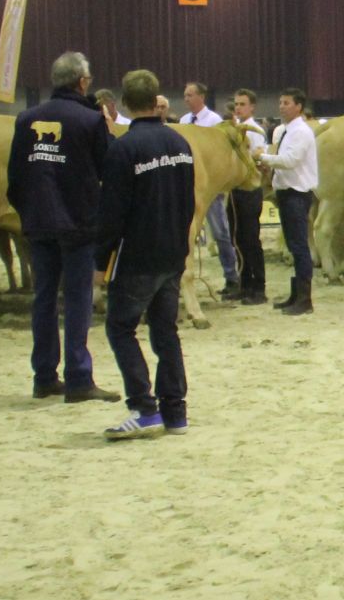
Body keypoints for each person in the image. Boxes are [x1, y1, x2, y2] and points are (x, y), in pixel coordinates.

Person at [7, 52, 118, 403]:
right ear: (82, 81)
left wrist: (27, 211)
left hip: (38, 222)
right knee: (77, 298)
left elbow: (15, 175)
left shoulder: (26, 118)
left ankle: (43, 376)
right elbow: (108, 169)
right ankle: (79, 377)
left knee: (42, 298)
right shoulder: (89, 121)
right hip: (78, 223)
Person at [95, 69, 196, 440]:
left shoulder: (122, 149)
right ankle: (176, 411)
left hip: (137, 255)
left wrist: (98, 262)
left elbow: (111, 214)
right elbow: (189, 203)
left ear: (123, 104)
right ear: (157, 101)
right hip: (172, 253)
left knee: (120, 327)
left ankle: (143, 406)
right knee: (165, 330)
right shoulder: (180, 144)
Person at [254, 87, 318, 315]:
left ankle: (305, 299)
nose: (281, 106)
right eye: (281, 102)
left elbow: (290, 161)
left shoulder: (300, 131)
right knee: (293, 244)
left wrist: (262, 157)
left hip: (296, 193)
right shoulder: (286, 131)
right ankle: (296, 294)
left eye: (286, 102)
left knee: (299, 246)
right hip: (287, 192)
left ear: (299, 106)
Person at [180, 82, 238, 297]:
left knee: (221, 232)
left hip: (211, 189)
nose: (186, 99)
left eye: (190, 95)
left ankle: (231, 276)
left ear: (201, 97)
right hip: (189, 187)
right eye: (185, 95)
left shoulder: (214, 121)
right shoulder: (184, 122)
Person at [228, 89, 268, 306]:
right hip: (235, 190)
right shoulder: (234, 130)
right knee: (238, 239)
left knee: (251, 239)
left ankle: (259, 287)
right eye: (236, 104)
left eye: (242, 104)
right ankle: (244, 285)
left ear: (252, 107)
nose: (238, 108)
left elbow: (258, 155)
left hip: (250, 189)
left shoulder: (255, 130)